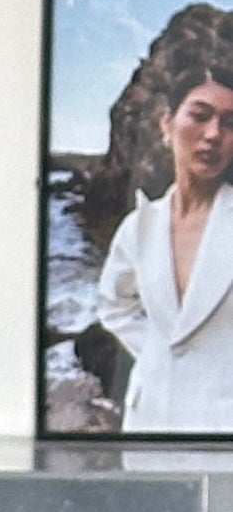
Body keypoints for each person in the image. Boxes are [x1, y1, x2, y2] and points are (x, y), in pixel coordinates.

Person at [97, 51, 233, 432]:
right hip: (150, 420)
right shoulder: (140, 226)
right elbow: (114, 304)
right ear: (167, 123)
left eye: (229, 123)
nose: (213, 134)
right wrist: (157, 353)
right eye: (200, 115)